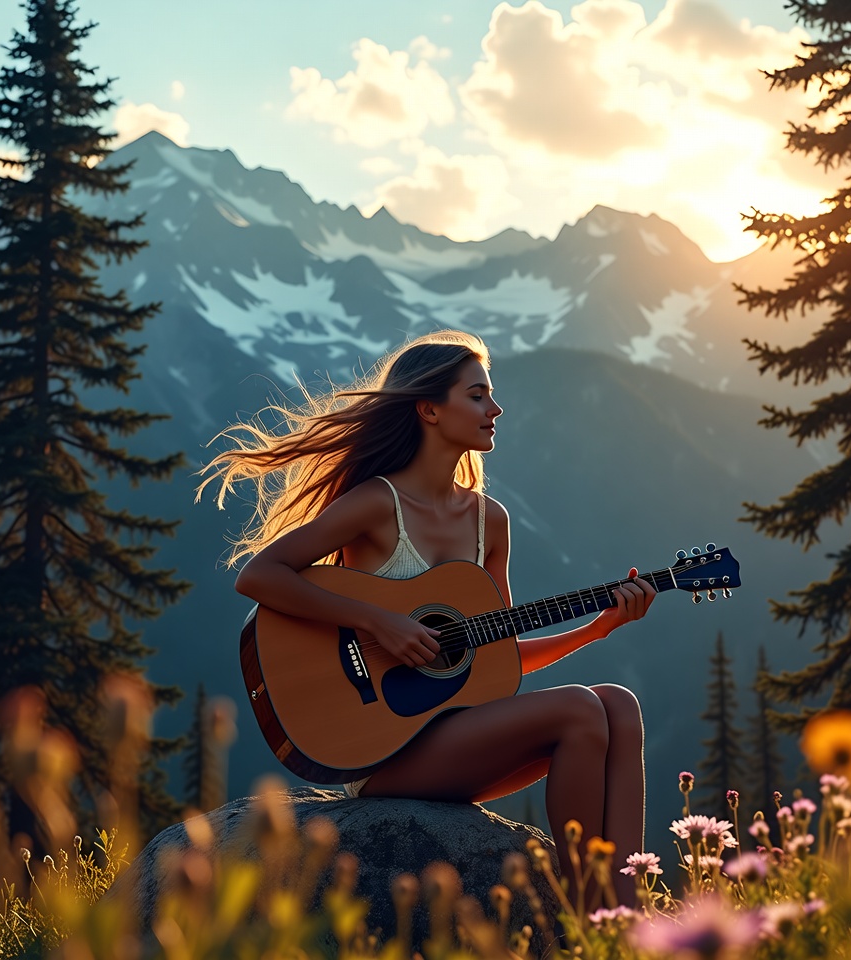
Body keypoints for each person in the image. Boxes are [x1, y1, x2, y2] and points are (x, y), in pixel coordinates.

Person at [198, 330, 656, 905]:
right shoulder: (375, 503)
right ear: (429, 409)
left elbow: (497, 659)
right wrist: (375, 621)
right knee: (582, 709)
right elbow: (260, 576)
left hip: (457, 737)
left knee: (618, 702)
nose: (496, 409)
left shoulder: (491, 522)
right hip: (382, 750)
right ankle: (591, 914)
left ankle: (626, 916)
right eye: (478, 395)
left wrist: (598, 628)